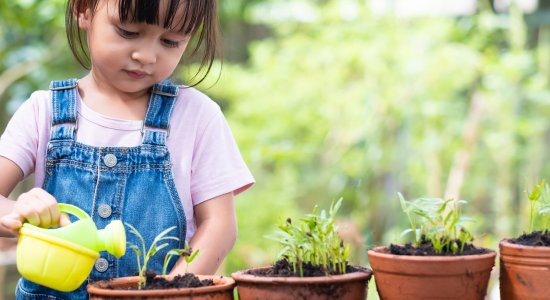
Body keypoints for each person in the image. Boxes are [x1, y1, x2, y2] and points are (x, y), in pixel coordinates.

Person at [0, 0, 254, 298]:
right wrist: (20, 212)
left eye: (170, 41)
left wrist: (175, 290)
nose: (146, 55)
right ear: (83, 11)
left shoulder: (197, 116)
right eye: (128, 32)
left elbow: (219, 224)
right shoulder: (42, 112)